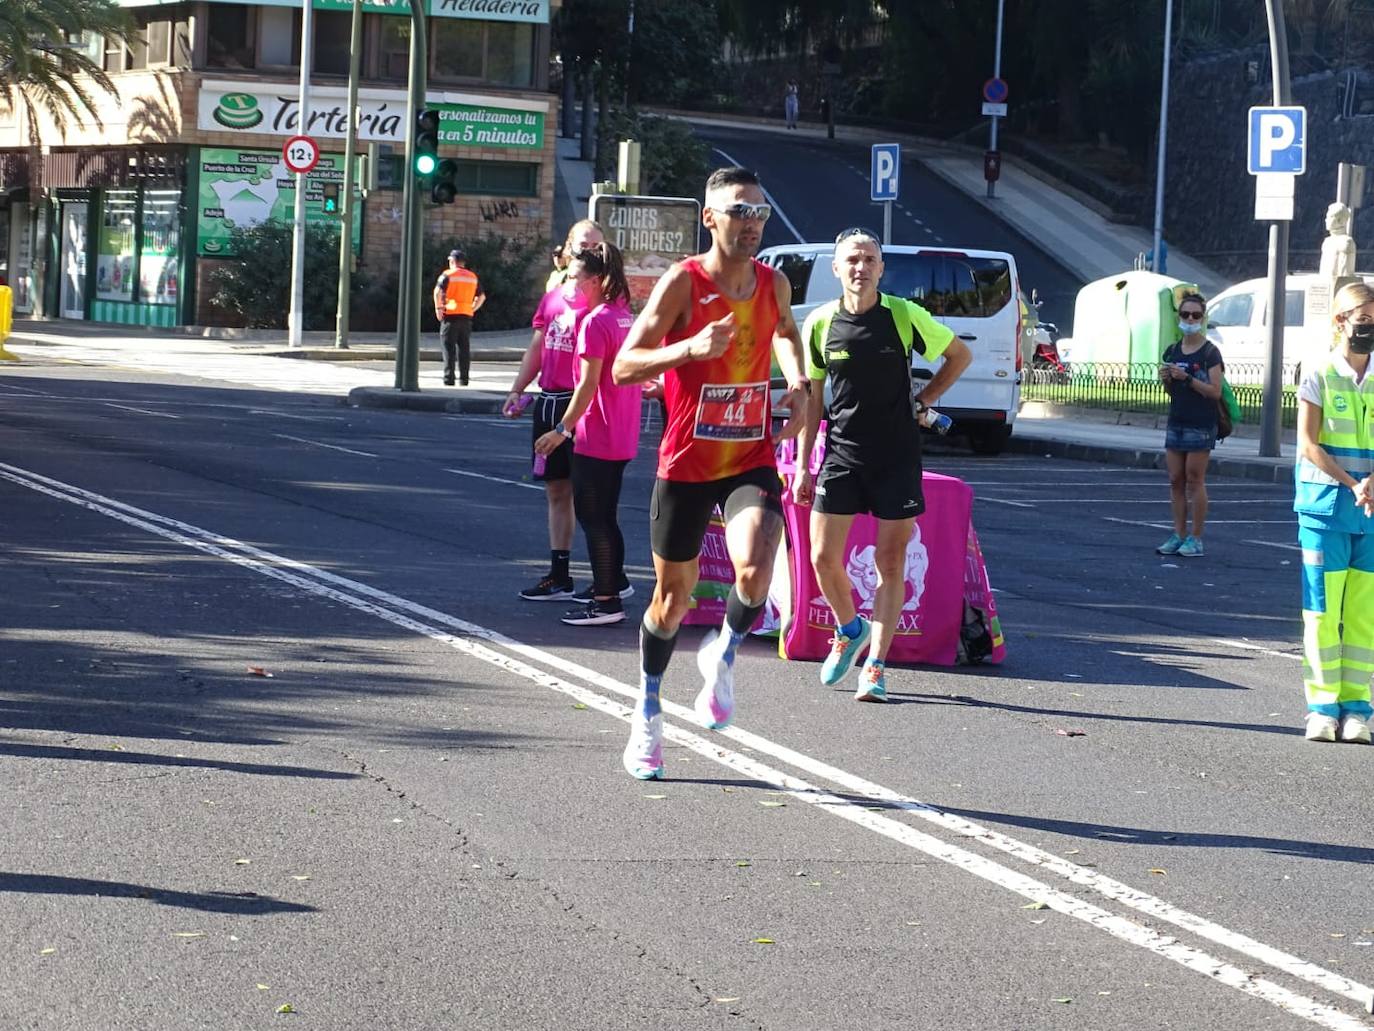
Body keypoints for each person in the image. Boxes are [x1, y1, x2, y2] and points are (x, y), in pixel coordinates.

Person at [611, 166, 810, 780]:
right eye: (737, 211)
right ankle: (647, 711)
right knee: (670, 602)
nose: (750, 223)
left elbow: (785, 334)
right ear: (710, 218)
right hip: (688, 462)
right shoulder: (682, 283)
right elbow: (624, 366)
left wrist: (799, 382)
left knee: (756, 567)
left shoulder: (774, 283)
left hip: (749, 453)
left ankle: (723, 651)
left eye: (758, 212)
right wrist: (689, 349)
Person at [793, 228, 972, 701]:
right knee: (821, 558)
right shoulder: (820, 323)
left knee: (889, 563)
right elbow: (814, 397)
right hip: (841, 456)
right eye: (852, 259)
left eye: (870, 259)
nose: (861, 267)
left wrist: (927, 397)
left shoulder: (904, 315)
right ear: (836, 268)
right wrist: (803, 465)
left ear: (881, 268)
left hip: (896, 457)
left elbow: (959, 354)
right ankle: (849, 628)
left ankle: (875, 664)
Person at [504, 219, 624, 603]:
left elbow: (600, 369)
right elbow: (538, 346)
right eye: (581, 243)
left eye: (595, 244)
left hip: (580, 403)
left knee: (592, 498)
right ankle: (560, 574)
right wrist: (517, 389)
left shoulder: (605, 302)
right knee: (557, 490)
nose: (587, 249)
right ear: (569, 246)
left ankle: (610, 580)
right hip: (550, 398)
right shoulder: (555, 296)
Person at [533, 242, 640, 627]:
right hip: (621, 432)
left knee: (595, 519)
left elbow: (587, 386)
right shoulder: (623, 316)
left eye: (576, 277)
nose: (570, 283)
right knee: (606, 517)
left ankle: (607, 600)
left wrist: (561, 430)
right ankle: (610, 586)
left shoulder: (595, 321)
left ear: (595, 280)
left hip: (598, 432)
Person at [1294, 281, 1374, 744]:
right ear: (1341, 322)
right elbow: (1308, 443)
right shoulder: (1319, 371)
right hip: (1325, 509)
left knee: (1364, 615)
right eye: (1363, 320)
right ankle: (1322, 707)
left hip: (1370, 511)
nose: (1369, 329)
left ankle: (1357, 709)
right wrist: (1353, 483)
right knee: (1322, 613)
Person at [1155, 292, 1222, 558]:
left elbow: (1215, 391)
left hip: (1201, 423)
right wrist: (1168, 379)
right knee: (1175, 479)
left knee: (1195, 479)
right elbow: (1173, 393)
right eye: (1185, 314)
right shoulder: (1173, 350)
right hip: (1178, 420)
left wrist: (1188, 378)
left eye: (1195, 315)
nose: (1190, 319)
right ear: (1178, 317)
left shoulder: (1209, 352)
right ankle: (1178, 533)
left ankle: (1196, 537)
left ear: (1202, 318)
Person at [432, 249, 485, 387]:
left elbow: (437, 292)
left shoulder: (447, 274)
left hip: (450, 315)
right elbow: (482, 296)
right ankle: (464, 379)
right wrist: (472, 308)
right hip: (466, 316)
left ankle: (449, 378)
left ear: (452, 261)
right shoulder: (472, 276)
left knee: (448, 348)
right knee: (464, 348)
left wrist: (438, 309)